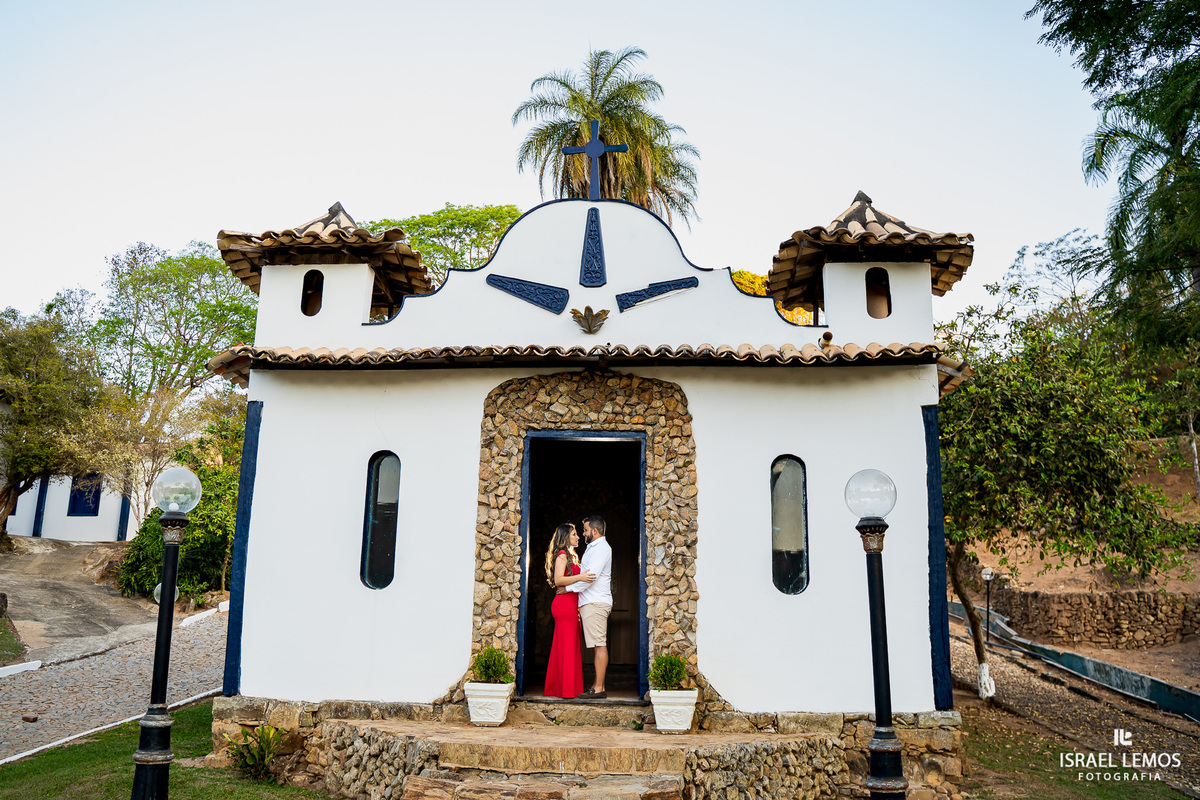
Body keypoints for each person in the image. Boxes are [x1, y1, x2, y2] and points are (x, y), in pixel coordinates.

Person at [543, 522, 594, 699]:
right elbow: (558, 580)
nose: (577, 537)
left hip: (571, 603)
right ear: (566, 537)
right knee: (567, 647)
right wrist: (581, 577)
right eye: (574, 534)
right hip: (564, 605)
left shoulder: (571, 555)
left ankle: (565, 688)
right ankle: (565, 690)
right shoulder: (563, 555)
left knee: (568, 646)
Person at [569, 515, 612, 699]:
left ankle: (600, 688)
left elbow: (590, 577)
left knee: (599, 645)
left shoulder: (601, 548)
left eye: (585, 530)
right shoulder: (593, 547)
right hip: (591, 602)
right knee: (596, 645)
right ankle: (596, 684)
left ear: (594, 531)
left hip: (595, 602)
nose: (583, 533)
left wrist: (567, 588)